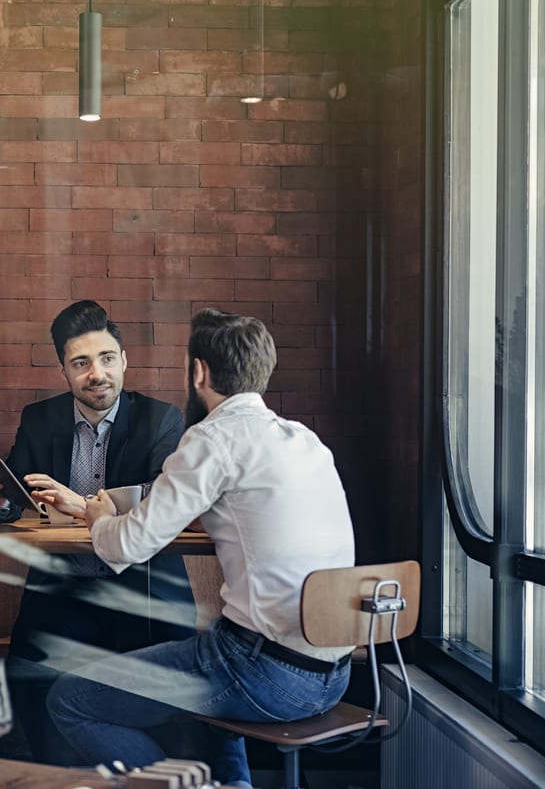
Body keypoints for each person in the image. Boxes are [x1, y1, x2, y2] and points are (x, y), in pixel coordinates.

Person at [44, 309, 356, 789]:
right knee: (206, 654)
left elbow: (129, 544)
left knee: (70, 699)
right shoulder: (307, 441)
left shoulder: (212, 438)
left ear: (199, 372)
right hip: (335, 676)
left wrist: (98, 515)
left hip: (261, 673)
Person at [0, 300, 197, 767]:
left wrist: (89, 506)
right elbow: (18, 497)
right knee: (26, 676)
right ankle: (63, 775)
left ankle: (151, 774)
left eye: (107, 358)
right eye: (82, 363)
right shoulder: (40, 419)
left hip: (143, 590)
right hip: (64, 588)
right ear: (64, 371)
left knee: (165, 697)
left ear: (124, 360)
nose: (97, 373)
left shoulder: (162, 419)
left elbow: (164, 497)